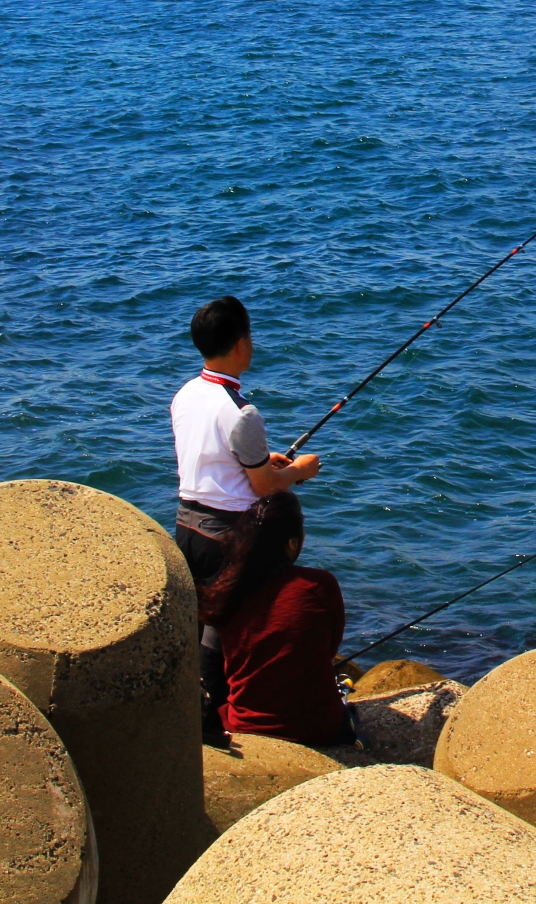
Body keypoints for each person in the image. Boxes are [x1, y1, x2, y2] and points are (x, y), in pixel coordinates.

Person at [171, 295, 319, 739]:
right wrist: (299, 471)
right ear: (239, 345)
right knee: (223, 631)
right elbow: (263, 487)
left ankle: (189, 710)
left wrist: (260, 460)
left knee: (198, 622)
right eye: (249, 337)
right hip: (227, 537)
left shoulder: (186, 394)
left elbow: (213, 458)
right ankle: (214, 721)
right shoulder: (241, 412)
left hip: (186, 526)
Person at [200, 489, 351, 746]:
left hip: (245, 725)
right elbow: (329, 649)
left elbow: (211, 663)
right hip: (319, 729)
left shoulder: (226, 589)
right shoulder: (319, 584)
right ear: (291, 544)